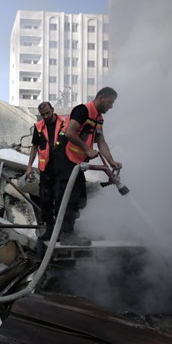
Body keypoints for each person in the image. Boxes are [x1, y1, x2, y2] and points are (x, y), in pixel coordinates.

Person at [54, 87, 122, 245]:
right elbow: (70, 132)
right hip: (65, 159)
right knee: (70, 197)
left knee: (81, 198)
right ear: (102, 97)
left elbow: (101, 141)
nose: (111, 107)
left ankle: (66, 231)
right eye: (110, 102)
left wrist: (111, 161)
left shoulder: (98, 118)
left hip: (77, 162)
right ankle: (67, 235)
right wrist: (87, 149)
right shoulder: (83, 110)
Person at [26, 102, 65, 241]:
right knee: (46, 200)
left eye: (48, 113)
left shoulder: (64, 124)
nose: (46, 116)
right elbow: (34, 147)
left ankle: (63, 231)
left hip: (62, 169)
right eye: (43, 114)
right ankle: (49, 230)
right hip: (46, 170)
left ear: (53, 110)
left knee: (61, 199)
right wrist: (29, 166)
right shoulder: (39, 127)